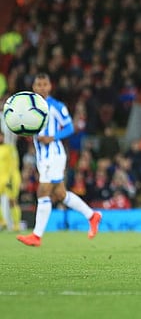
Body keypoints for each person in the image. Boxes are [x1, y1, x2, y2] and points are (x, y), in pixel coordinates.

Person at [17, 73, 102, 246]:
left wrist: (53, 137)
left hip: (54, 154)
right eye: (38, 84)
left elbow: (70, 127)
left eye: (44, 84)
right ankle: (92, 215)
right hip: (42, 157)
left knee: (43, 191)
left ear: (50, 87)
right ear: (33, 87)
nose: (41, 87)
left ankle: (37, 235)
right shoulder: (29, 108)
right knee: (60, 194)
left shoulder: (55, 106)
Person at [0, 131, 22, 231]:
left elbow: (14, 163)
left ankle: (16, 224)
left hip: (9, 178)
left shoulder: (10, 148)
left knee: (12, 201)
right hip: (0, 178)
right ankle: (2, 221)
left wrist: (11, 178)